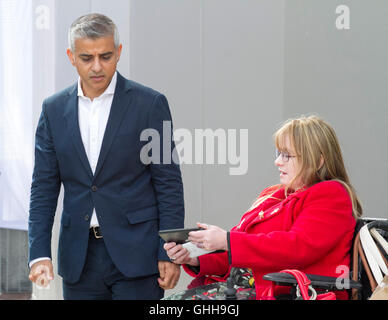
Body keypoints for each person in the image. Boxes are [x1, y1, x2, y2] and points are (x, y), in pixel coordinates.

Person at [28, 13, 184, 300]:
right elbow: (43, 187)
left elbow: (169, 183)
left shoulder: (150, 104)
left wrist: (169, 251)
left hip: (138, 255)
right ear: (71, 56)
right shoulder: (52, 110)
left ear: (119, 52)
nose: (97, 66)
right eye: (87, 58)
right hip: (79, 258)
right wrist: (38, 253)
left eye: (106, 56)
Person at [164, 115, 362, 300]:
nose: (277, 162)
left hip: (286, 292)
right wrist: (195, 256)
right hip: (248, 287)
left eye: (287, 156)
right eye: (278, 154)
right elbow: (241, 253)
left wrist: (226, 240)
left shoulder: (332, 194)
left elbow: (296, 247)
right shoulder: (274, 194)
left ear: (318, 161)